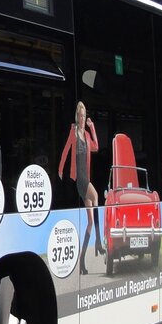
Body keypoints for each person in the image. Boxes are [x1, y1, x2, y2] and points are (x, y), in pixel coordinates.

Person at [58, 100, 104, 275]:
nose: (82, 118)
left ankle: (82, 263)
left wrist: (92, 128)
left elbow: (96, 147)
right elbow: (65, 151)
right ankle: (99, 243)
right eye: (80, 115)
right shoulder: (74, 133)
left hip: (87, 178)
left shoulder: (85, 133)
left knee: (90, 223)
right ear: (76, 117)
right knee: (97, 195)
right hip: (80, 179)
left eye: (84, 115)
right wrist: (61, 169)